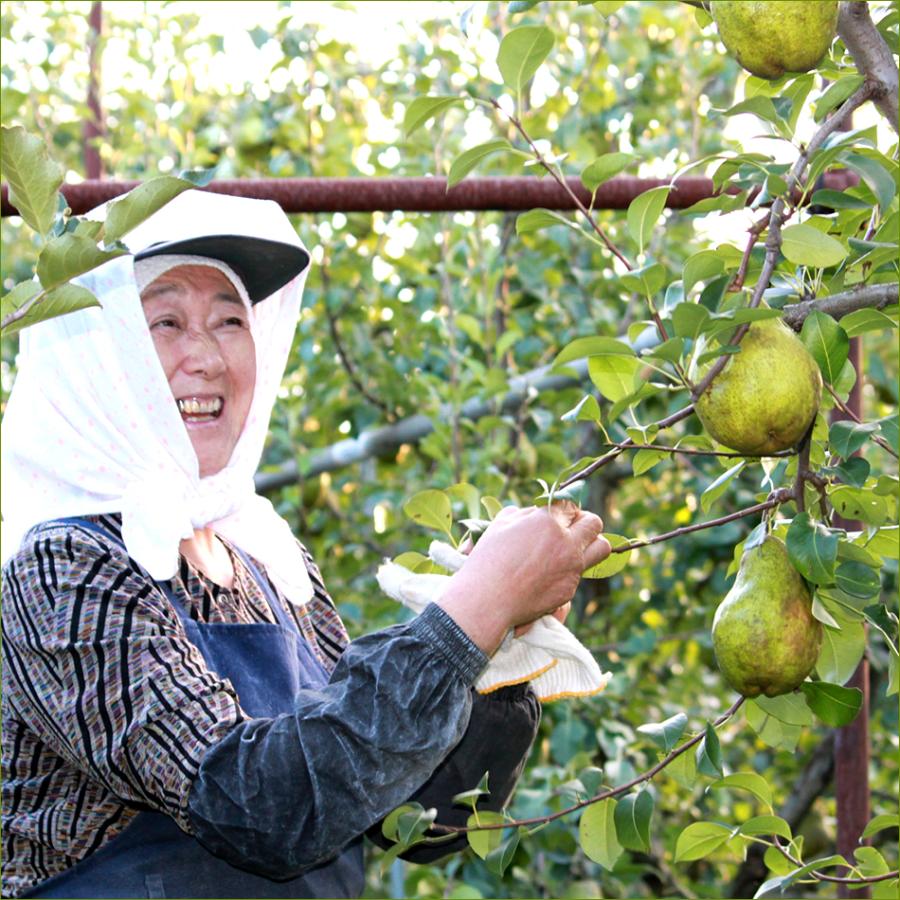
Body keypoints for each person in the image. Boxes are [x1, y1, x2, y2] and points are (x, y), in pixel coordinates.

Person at [0, 190, 611, 899]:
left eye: (230, 321)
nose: (206, 356)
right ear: (99, 360)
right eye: (164, 322)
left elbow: (418, 820)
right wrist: (468, 612)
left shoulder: (269, 563)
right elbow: (256, 810)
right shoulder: (63, 570)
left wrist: (493, 648)